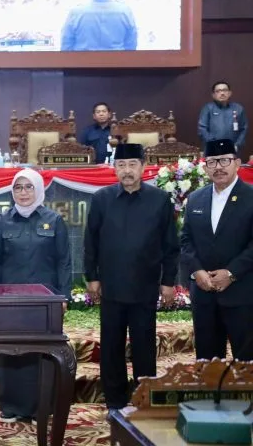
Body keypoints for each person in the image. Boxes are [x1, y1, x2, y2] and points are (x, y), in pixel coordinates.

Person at [84, 143, 179, 414]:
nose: (127, 171)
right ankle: (114, 403)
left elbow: (170, 245)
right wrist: (92, 277)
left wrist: (168, 281)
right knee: (111, 347)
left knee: (144, 347)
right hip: (111, 286)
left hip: (144, 287)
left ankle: (143, 401)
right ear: (114, 168)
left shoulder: (159, 200)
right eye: (121, 165)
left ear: (143, 167)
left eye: (132, 165)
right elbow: (90, 242)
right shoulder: (101, 199)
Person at [0, 168, 72, 423]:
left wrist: (62, 297)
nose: (23, 193)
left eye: (28, 187)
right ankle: (10, 406)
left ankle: (41, 407)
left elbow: (64, 262)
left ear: (38, 189)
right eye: (18, 187)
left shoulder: (54, 220)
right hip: (9, 301)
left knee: (41, 353)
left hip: (44, 302)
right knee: (10, 352)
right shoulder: (2, 221)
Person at [181, 139, 253, 361]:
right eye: (212, 162)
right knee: (207, 364)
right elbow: (186, 240)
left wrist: (231, 273)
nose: (218, 167)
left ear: (237, 163)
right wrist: (197, 271)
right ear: (205, 167)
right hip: (204, 295)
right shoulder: (195, 198)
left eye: (224, 161)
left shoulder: (250, 196)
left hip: (242, 294)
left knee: (246, 364)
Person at [61, 0, 137, 51]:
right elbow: (131, 45)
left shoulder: (76, 13)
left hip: (83, 59)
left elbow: (66, 45)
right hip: (115, 58)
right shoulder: (125, 12)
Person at [198, 81, 248, 152]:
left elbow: (243, 129)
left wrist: (237, 144)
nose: (222, 93)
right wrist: (214, 144)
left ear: (230, 93)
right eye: (218, 91)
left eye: (225, 90)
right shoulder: (207, 108)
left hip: (233, 149)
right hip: (212, 149)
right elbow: (202, 129)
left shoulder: (238, 108)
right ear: (213, 95)